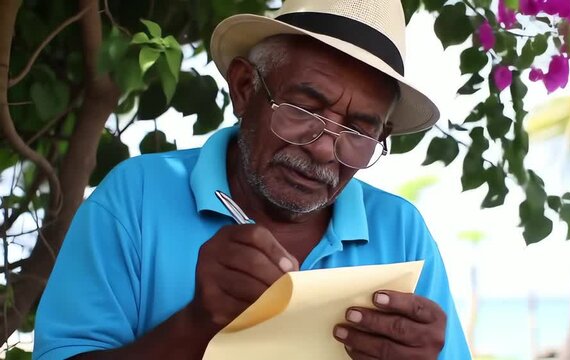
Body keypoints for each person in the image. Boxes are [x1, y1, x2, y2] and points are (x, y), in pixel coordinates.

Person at [33, 0, 471, 359]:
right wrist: (195, 325)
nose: (323, 149)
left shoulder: (401, 231)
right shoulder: (137, 198)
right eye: (303, 109)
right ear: (244, 88)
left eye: (358, 131)